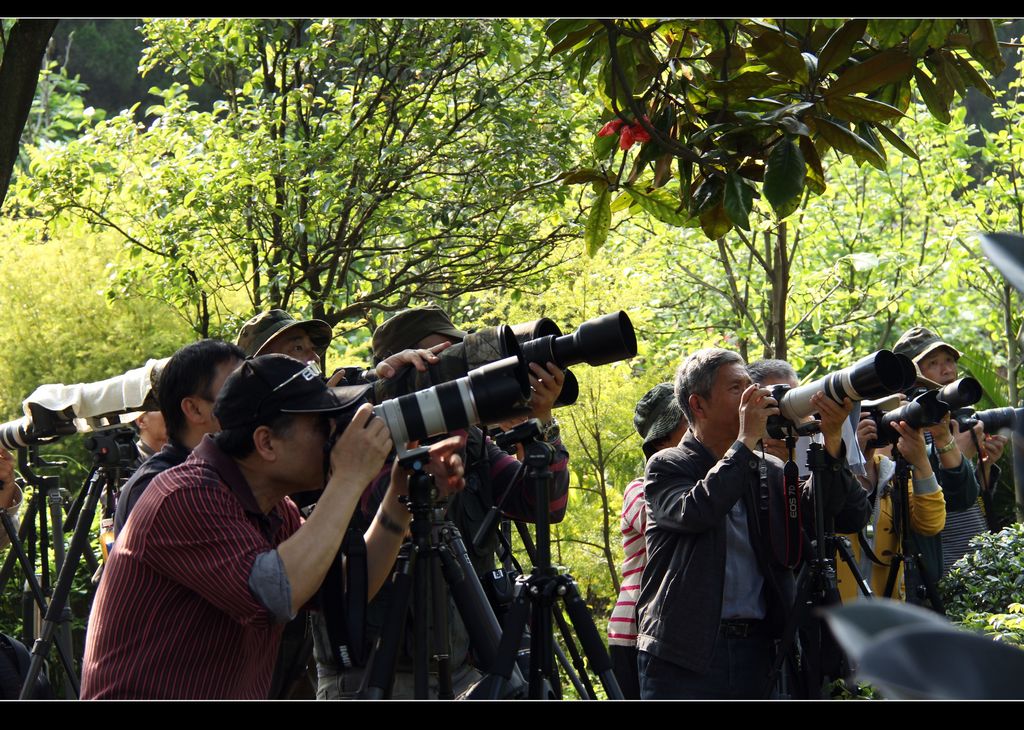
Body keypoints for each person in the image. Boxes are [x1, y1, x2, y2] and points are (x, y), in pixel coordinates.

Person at [81, 354, 465, 698]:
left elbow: (344, 586)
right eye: (320, 425)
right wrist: (348, 477)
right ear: (266, 443)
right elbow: (274, 595)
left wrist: (398, 500)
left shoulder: (272, 508)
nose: (333, 437)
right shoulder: (184, 495)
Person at [314, 304, 570, 699]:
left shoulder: (476, 446)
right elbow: (375, 505)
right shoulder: (357, 439)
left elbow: (547, 507)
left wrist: (540, 424)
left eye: (458, 355)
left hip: (459, 669)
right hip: (374, 673)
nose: (457, 372)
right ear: (400, 366)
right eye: (441, 359)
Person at [636, 348, 870, 699]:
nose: (752, 395)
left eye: (751, 384)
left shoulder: (768, 469)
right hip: (686, 654)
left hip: (760, 649)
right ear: (698, 405)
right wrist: (746, 442)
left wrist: (833, 440)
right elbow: (696, 510)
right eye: (736, 388)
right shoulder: (667, 465)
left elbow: (843, 514)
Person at [113, 339, 245, 535]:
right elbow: (251, 564)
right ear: (194, 409)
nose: (252, 399)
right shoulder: (161, 489)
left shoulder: (228, 469)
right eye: (237, 391)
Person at [607, 382, 687, 699]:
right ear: (660, 442)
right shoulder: (639, 489)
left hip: (669, 632)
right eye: (684, 424)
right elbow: (667, 523)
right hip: (633, 631)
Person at [893, 326, 991, 578]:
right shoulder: (907, 428)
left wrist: (985, 465)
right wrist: (957, 452)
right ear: (911, 376)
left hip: (980, 558)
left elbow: (971, 497)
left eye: (949, 360)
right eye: (933, 363)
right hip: (944, 566)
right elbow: (922, 497)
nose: (947, 370)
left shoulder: (957, 419)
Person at [836, 408, 946, 601]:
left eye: (877, 417)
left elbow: (931, 524)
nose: (873, 426)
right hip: (836, 610)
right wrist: (847, 461)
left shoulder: (894, 476)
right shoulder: (824, 475)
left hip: (888, 606)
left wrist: (921, 462)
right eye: (863, 417)